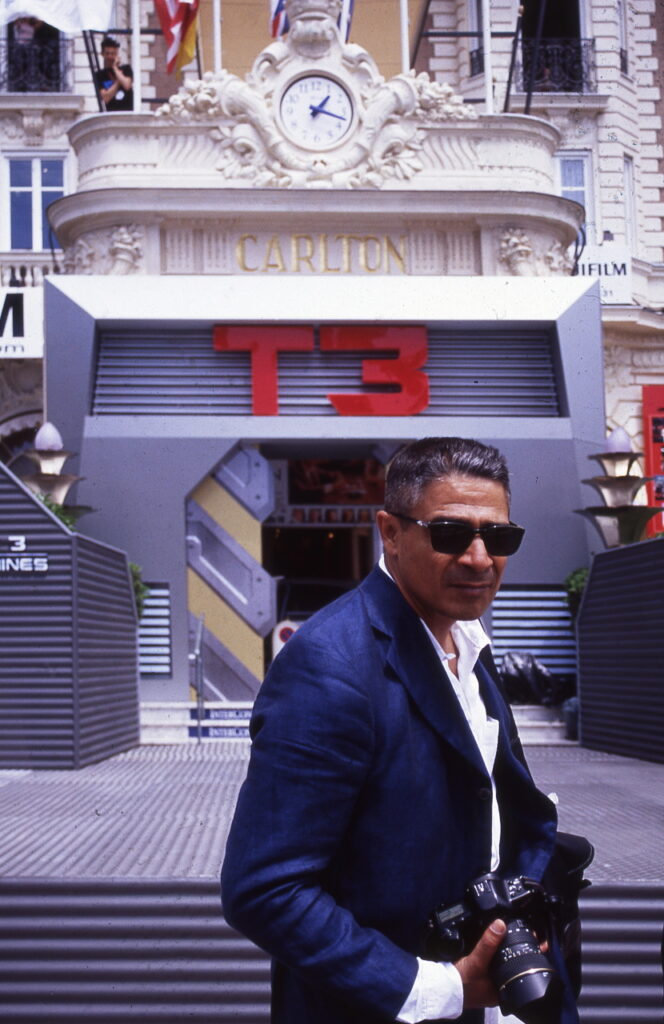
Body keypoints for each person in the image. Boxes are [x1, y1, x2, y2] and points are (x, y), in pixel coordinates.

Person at [221, 436, 581, 1024]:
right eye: (450, 533)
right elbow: (264, 890)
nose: (479, 558)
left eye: (498, 536)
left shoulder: (467, 640)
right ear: (390, 532)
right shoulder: (329, 666)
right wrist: (443, 990)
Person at [94, 36, 133, 111]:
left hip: (127, 113)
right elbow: (105, 98)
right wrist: (118, 82)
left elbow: (127, 85)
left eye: (113, 54)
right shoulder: (99, 75)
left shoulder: (126, 69)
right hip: (111, 114)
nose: (110, 56)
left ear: (117, 54)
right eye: (107, 53)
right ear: (102, 54)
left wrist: (115, 68)